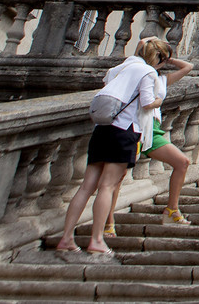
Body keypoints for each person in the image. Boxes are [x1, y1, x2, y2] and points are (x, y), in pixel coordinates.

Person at [55, 37, 164, 254]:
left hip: (102, 129)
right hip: (125, 132)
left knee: (86, 187)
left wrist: (146, 42)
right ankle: (96, 240)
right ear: (157, 57)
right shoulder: (148, 73)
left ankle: (66, 238)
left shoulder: (118, 69)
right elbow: (146, 103)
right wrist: (159, 101)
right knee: (107, 186)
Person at [108, 41, 195, 230]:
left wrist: (167, 57)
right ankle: (108, 222)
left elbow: (189, 67)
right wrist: (152, 47)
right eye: (159, 55)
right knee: (119, 176)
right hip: (135, 125)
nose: (161, 59)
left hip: (152, 130)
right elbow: (141, 42)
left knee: (182, 162)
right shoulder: (137, 71)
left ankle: (172, 210)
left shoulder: (160, 79)